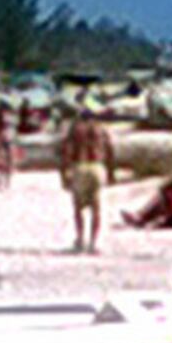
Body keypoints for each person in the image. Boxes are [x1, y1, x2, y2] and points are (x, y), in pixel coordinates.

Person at [58, 103, 112, 254]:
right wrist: (111, 172)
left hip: (80, 166)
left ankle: (80, 240)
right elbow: (109, 150)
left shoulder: (75, 128)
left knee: (78, 208)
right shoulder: (101, 129)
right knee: (96, 208)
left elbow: (67, 151)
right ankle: (94, 242)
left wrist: (64, 172)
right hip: (97, 166)